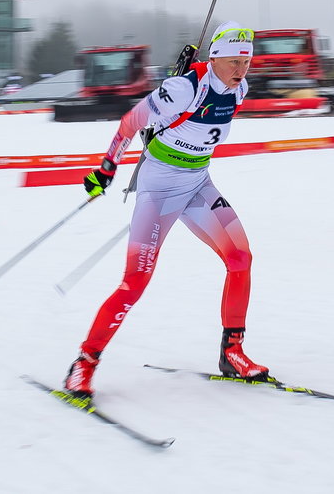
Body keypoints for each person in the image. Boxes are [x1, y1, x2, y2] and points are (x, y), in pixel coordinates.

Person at [64, 22, 266, 398]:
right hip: (158, 190)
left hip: (198, 185)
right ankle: (84, 364)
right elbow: (129, 124)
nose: (242, 69)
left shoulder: (240, 90)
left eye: (247, 61)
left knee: (241, 258)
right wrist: (107, 168)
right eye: (235, 61)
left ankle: (232, 353)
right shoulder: (183, 88)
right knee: (135, 282)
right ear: (216, 57)